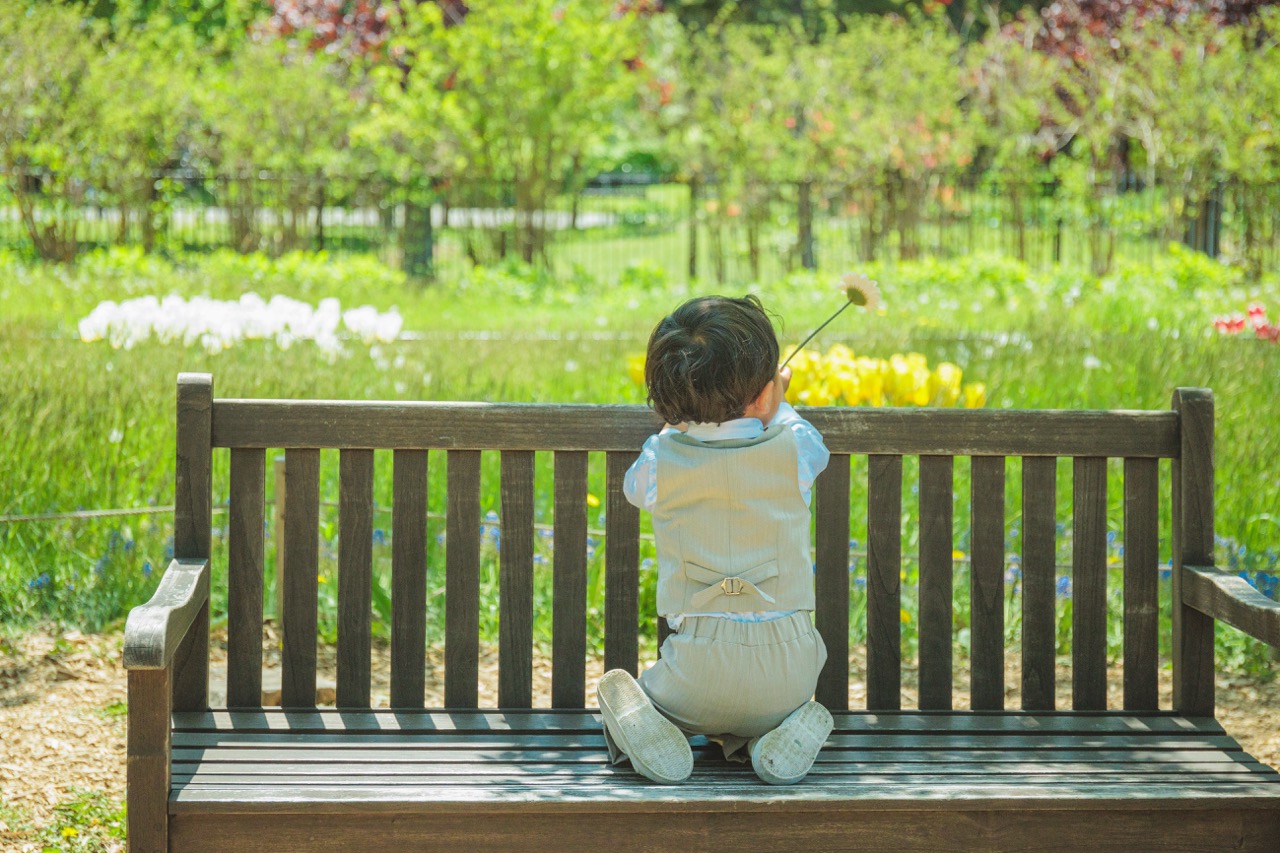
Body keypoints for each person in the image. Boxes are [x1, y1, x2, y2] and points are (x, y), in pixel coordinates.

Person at [596, 294, 833, 786]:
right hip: (790, 672)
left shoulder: (660, 462)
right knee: (770, 708)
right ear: (766, 394)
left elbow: (634, 488)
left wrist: (675, 422)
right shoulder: (797, 450)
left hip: (696, 676)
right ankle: (778, 734)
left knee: (630, 693)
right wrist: (778, 404)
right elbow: (803, 439)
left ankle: (656, 729)